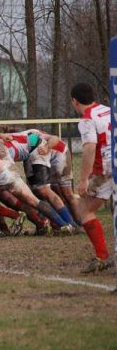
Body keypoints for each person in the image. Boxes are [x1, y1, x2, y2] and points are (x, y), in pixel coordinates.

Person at [70, 83, 115, 274]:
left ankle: (102, 256)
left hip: (105, 170)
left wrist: (83, 179)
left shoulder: (87, 120)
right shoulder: (107, 109)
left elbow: (89, 148)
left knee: (83, 209)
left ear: (75, 101)